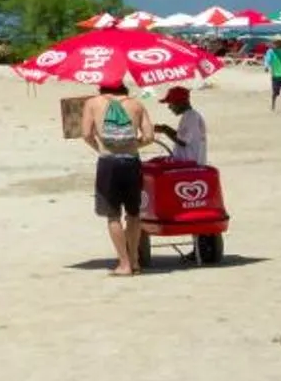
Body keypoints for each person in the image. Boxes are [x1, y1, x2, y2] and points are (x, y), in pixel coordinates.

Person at [86, 81, 155, 276]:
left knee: (113, 215)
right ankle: (134, 261)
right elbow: (149, 136)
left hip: (108, 162)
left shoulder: (93, 103)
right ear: (124, 88)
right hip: (132, 161)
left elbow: (86, 133)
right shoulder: (137, 105)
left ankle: (123, 264)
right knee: (133, 213)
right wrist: (132, 147)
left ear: (101, 88)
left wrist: (101, 148)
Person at [159, 85, 209, 166]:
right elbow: (182, 136)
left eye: (171, 104)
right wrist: (165, 128)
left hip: (190, 166)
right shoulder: (189, 116)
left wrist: (165, 129)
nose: (169, 107)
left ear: (180, 103)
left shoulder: (191, 117)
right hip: (187, 163)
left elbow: (182, 141)